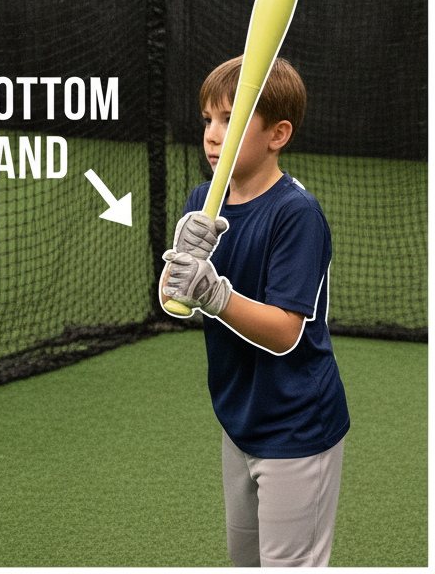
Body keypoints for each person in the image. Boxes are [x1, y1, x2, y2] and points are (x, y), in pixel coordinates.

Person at [161, 56, 349, 567]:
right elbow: (176, 299)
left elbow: (286, 332)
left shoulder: (297, 214)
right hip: (239, 414)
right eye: (208, 119)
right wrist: (180, 277)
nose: (212, 134)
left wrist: (214, 295)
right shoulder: (204, 199)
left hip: (296, 423)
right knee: (244, 559)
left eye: (232, 120)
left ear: (277, 134)